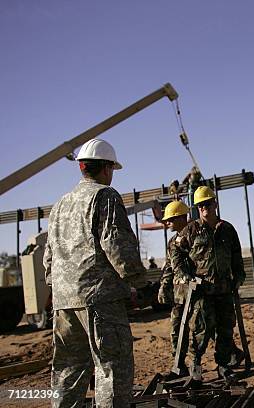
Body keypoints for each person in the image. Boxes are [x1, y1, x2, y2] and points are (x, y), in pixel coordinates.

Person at [43, 138, 147, 408]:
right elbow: (118, 246)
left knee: (67, 371)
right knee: (112, 370)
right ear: (106, 168)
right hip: (100, 301)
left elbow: (49, 258)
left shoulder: (59, 206)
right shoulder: (105, 196)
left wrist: (59, 288)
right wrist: (139, 282)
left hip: (64, 303)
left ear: (82, 168)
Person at [170, 186, 246, 381]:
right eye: (200, 205)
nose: (204, 208)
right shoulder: (190, 231)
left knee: (226, 329)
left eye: (207, 204)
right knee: (201, 329)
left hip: (224, 288)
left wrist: (238, 276)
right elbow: (175, 252)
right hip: (201, 290)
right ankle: (195, 364)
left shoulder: (227, 229)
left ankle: (224, 365)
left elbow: (237, 256)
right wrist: (185, 275)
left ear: (215, 204)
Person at [158, 200, 192, 377]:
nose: (167, 223)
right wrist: (164, 287)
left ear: (181, 217)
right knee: (177, 329)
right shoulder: (172, 241)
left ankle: (230, 355)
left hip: (198, 293)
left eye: (170, 219)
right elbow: (169, 267)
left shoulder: (195, 234)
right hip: (180, 295)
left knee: (203, 330)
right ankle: (179, 366)